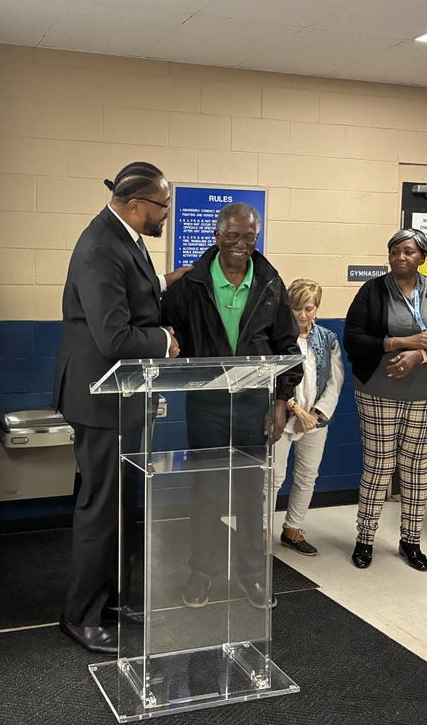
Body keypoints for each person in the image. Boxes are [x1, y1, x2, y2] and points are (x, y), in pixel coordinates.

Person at [52, 161, 187, 655]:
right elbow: (113, 335)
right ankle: (80, 616)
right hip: (100, 398)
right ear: (136, 204)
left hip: (121, 398)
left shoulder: (125, 240)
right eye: (162, 206)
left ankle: (108, 598)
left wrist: (172, 280)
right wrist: (165, 340)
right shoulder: (100, 247)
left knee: (117, 507)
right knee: (100, 508)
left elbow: (132, 297)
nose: (166, 215)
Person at [160, 203, 301, 609]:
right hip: (207, 406)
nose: (242, 245)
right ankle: (200, 574)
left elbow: (288, 349)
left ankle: (252, 575)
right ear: (217, 237)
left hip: (256, 407)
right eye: (234, 236)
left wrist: (280, 402)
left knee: (249, 493)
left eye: (250, 237)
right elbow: (167, 330)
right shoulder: (191, 286)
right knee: (206, 491)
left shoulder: (272, 284)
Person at [344, 229, 427, 571]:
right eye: (395, 251)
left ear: (422, 258)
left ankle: (411, 540)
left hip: (425, 393)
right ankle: (364, 539)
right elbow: (353, 339)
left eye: (409, 252)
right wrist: (399, 343)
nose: (401, 257)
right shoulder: (372, 291)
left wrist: (422, 356)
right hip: (378, 390)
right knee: (379, 465)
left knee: (415, 468)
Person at [265, 278, 345, 556]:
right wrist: (294, 409)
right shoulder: (276, 337)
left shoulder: (327, 339)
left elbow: (335, 381)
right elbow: (270, 380)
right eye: (297, 308)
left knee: (307, 476)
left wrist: (314, 414)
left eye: (308, 308)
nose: (302, 315)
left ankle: (292, 529)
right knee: (273, 478)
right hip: (281, 418)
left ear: (317, 309)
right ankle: (262, 530)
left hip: (314, 421)